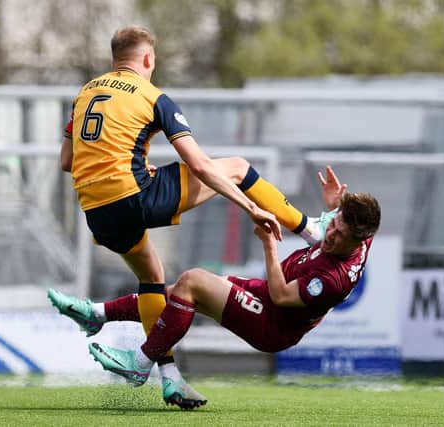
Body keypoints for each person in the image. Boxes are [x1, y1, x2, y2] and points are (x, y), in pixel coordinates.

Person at [54, 25, 324, 409]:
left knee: (152, 278)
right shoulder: (152, 96)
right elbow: (198, 164)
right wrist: (250, 206)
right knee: (235, 166)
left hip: (96, 211)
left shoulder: (85, 93)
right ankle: (312, 229)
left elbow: (66, 161)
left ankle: (169, 378)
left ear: (115, 58)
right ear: (148, 59)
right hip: (135, 197)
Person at [49, 169, 377, 410]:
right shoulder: (358, 230)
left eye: (338, 234)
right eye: (333, 224)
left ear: (357, 241)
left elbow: (281, 296)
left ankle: (140, 359)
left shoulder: (333, 280)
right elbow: (346, 219)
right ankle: (98, 315)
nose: (330, 234)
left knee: (193, 281)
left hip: (273, 322)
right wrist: (335, 205)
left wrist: (268, 245)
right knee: (180, 291)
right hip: (264, 297)